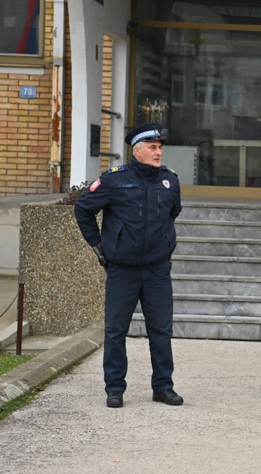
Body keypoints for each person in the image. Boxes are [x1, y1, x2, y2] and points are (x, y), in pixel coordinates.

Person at [74, 122, 183, 409]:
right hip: (122, 269)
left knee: (161, 330)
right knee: (116, 331)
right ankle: (115, 389)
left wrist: (164, 244)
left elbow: (173, 213)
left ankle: (163, 387)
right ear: (137, 151)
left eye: (160, 147)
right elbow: (83, 209)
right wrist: (99, 247)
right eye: (152, 147)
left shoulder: (170, 180)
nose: (158, 152)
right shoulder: (114, 180)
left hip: (157, 269)